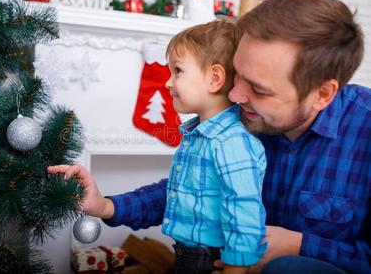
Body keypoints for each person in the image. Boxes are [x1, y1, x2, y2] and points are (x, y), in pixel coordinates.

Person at [49, 0, 370, 274]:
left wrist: (298, 246)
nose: (234, 95)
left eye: (258, 88)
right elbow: (191, 189)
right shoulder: (239, 119)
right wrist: (107, 205)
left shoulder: (364, 130)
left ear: (322, 94)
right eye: (238, 75)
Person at [52, 20, 268, 274]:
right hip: (187, 255)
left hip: (209, 261)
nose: (168, 83)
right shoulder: (200, 137)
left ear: (215, 79)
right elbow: (173, 195)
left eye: (178, 71)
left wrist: (235, 270)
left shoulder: (232, 142)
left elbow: (244, 214)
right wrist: (103, 205)